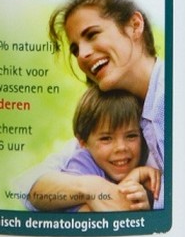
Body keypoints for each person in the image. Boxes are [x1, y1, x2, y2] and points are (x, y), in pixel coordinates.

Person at [21, 0, 165, 212]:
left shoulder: (175, 97)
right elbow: (32, 185)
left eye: (93, 34)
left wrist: (143, 197)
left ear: (134, 26)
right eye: (75, 49)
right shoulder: (117, 107)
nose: (82, 55)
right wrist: (91, 187)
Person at [61, 84, 157, 213]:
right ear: (83, 142)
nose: (121, 147)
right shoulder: (81, 163)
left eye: (131, 136)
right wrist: (132, 178)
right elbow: (87, 217)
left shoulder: (147, 161)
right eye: (106, 138)